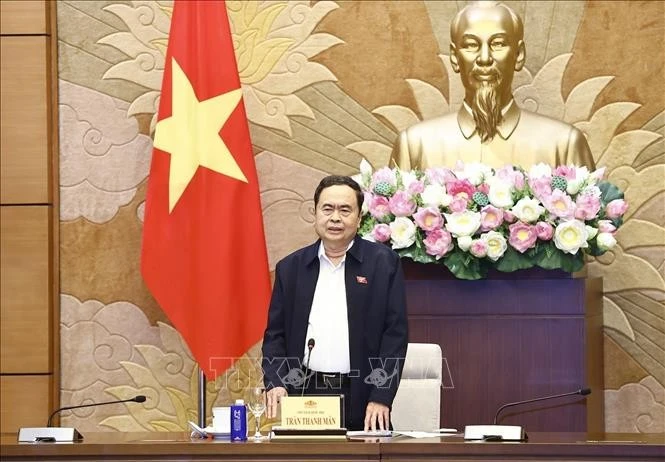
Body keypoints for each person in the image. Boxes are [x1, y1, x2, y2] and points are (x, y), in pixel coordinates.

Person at [261, 175, 408, 431]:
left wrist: (381, 396)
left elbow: (394, 336)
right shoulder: (291, 268)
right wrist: (276, 381)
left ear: (359, 218)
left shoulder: (383, 264)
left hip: (362, 395)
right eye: (327, 209)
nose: (335, 218)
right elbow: (275, 335)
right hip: (305, 395)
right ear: (315, 213)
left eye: (345, 210)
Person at [390, 1, 596, 170]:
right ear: (455, 57)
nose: (485, 58)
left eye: (498, 44)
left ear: (518, 55)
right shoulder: (415, 146)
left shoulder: (563, 144)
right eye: (471, 45)